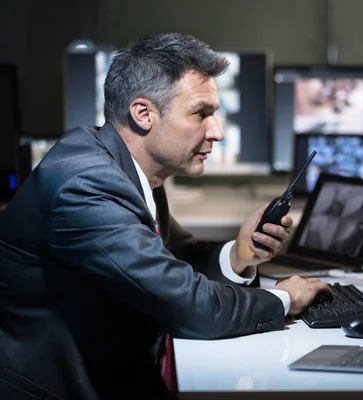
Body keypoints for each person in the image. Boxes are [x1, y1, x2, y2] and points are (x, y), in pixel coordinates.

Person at [0, 33, 331, 400]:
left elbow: (174, 259)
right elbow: (189, 304)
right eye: (200, 114)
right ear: (143, 114)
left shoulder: (125, 165)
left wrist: (239, 255)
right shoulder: (86, 185)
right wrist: (283, 299)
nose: (217, 132)